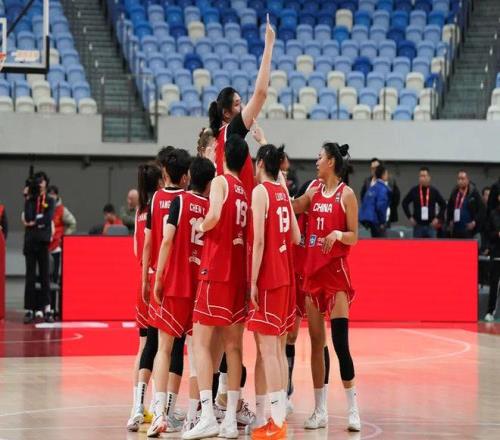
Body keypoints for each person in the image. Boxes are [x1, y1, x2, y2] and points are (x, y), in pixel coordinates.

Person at [183, 135, 250, 440]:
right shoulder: (245, 190)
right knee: (233, 347)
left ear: (224, 156)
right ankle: (230, 420)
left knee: (200, 342)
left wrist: (199, 225)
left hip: (216, 269)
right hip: (237, 274)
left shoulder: (221, 182)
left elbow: (213, 217)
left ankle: (208, 415)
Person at [293, 142, 361, 432]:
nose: (316, 161)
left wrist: (337, 234)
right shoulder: (313, 189)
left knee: (340, 343)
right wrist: (275, 184)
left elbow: (354, 236)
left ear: (331, 161)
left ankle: (353, 409)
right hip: (313, 276)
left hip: (335, 275)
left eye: (320, 157)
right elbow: (295, 206)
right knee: (316, 344)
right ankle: (320, 410)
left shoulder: (347, 195)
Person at [151, 157, 216, 435]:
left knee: (164, 348)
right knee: (198, 353)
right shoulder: (212, 207)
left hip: (177, 285)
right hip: (202, 287)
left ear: (190, 176)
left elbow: (167, 240)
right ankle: (192, 416)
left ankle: (159, 414)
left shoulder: (180, 202)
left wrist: (158, 277)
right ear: (210, 182)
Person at [247, 144, 300, 439]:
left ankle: (277, 423)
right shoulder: (282, 191)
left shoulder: (261, 192)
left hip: (268, 278)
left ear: (259, 164)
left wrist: (253, 281)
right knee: (277, 350)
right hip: (285, 278)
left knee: (268, 352)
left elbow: (258, 241)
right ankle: (278, 419)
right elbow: (297, 236)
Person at [139, 148, 192, 437]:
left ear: (164, 172)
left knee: (162, 346)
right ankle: (178, 411)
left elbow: (149, 243)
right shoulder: (189, 199)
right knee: (187, 349)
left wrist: (147, 278)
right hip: (188, 282)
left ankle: (158, 411)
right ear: (185, 176)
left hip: (163, 279)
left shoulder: (155, 200)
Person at [210, 13, 275, 198]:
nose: (244, 107)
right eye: (238, 104)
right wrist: (269, 45)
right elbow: (261, 94)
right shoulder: (231, 132)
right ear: (227, 113)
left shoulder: (215, 140)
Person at [285, 178, 331, 417]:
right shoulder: (295, 214)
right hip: (294, 276)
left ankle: (322, 398)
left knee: (319, 339)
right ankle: (286, 391)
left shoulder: (323, 217)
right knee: (290, 335)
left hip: (314, 277)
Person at [127, 162, 163, 432]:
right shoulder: (159, 208)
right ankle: (159, 407)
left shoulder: (140, 211)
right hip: (157, 280)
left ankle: (137, 407)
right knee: (161, 347)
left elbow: (136, 248)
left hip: (142, 278)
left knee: (142, 345)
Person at [22, 171, 55, 324]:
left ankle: (47, 309)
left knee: (44, 276)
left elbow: (48, 218)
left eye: (42, 181)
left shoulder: (50, 200)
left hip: (43, 242)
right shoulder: (30, 200)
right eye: (37, 181)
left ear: (46, 183)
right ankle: (29, 310)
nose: (39, 184)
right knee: (30, 277)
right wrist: (36, 220)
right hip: (30, 242)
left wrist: (36, 221)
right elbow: (28, 217)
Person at [401, 167, 446, 238]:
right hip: (418, 226)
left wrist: (437, 218)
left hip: (431, 226)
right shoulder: (414, 190)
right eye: (420, 176)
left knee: (432, 245)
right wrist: (410, 217)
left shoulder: (434, 191)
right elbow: (404, 203)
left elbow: (443, 204)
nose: (422, 178)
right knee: (417, 245)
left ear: (429, 177)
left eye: (424, 176)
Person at [47, 185, 77, 285]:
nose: (51, 196)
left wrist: (63, 237)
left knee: (54, 275)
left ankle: (53, 295)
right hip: (43, 245)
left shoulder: (62, 210)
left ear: (57, 195)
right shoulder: (42, 207)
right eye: (49, 194)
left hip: (56, 246)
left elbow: (73, 223)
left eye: (53, 194)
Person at [446, 170, 485, 239]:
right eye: (459, 179)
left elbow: (481, 209)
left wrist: (474, 222)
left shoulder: (474, 193)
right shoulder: (454, 192)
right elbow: (449, 208)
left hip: (469, 229)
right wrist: (450, 220)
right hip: (456, 229)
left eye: (462, 179)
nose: (460, 181)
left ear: (467, 180)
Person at [360, 158, 400, 224]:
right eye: (372, 168)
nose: (374, 170)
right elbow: (363, 197)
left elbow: (396, 197)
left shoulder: (390, 181)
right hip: (371, 216)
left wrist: (389, 208)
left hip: (386, 214)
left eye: (376, 168)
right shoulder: (367, 181)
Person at [359, 165, 392, 238]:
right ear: (383, 175)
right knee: (382, 242)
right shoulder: (382, 189)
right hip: (377, 221)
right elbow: (381, 206)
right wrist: (382, 222)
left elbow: (365, 203)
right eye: (386, 173)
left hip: (370, 220)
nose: (387, 175)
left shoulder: (372, 188)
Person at [484, 191, 500, 322]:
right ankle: (490, 311)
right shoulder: (493, 214)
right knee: (494, 283)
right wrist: (497, 234)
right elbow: (488, 233)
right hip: (497, 252)